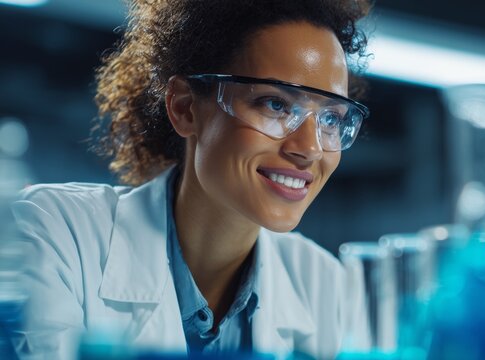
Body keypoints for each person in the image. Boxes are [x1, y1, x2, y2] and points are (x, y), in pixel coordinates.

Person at [10, 0, 371, 358]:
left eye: (331, 120)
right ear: (184, 107)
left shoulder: (328, 286)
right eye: (275, 104)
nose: (309, 148)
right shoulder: (56, 230)